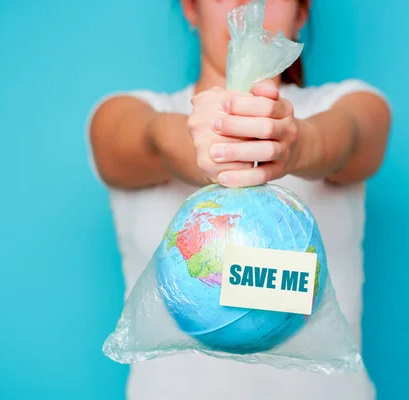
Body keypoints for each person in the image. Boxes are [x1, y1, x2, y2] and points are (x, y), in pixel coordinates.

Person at [87, 0, 391, 399]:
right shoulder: (127, 114)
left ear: (301, 13)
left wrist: (295, 147)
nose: (248, 3)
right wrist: (208, 145)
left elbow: (348, 137)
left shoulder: (347, 105)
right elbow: (152, 140)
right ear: (190, 9)